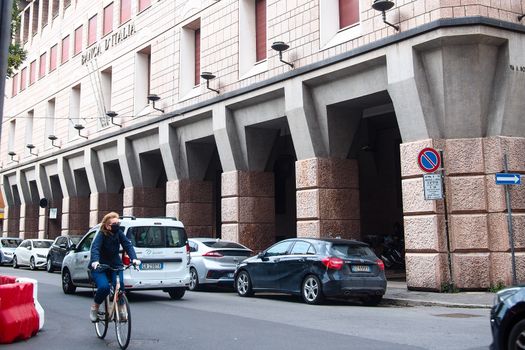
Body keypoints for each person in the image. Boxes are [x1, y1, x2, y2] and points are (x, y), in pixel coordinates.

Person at [89, 212, 141, 322]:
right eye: (114, 223)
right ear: (108, 226)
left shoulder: (119, 233)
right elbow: (95, 248)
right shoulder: (101, 234)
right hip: (100, 266)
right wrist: (95, 261)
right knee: (104, 288)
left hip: (115, 265)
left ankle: (121, 309)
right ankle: (95, 307)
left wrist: (134, 259)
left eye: (118, 223)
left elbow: (127, 245)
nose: (117, 225)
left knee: (120, 285)